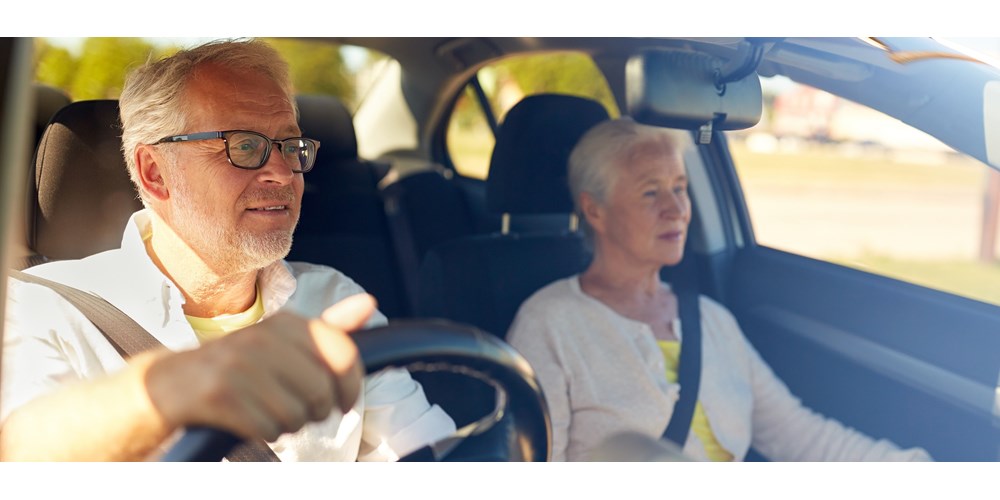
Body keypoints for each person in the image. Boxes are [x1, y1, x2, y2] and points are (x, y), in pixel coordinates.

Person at [0, 39, 456, 461]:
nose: (283, 172)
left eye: (290, 145)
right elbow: (21, 450)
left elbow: (431, 457)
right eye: (243, 145)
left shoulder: (334, 299)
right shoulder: (41, 307)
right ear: (155, 172)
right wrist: (166, 392)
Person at [506, 117, 932, 462]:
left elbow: (798, 436)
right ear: (594, 209)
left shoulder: (711, 320)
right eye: (651, 193)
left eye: (679, 188)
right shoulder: (548, 323)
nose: (675, 209)